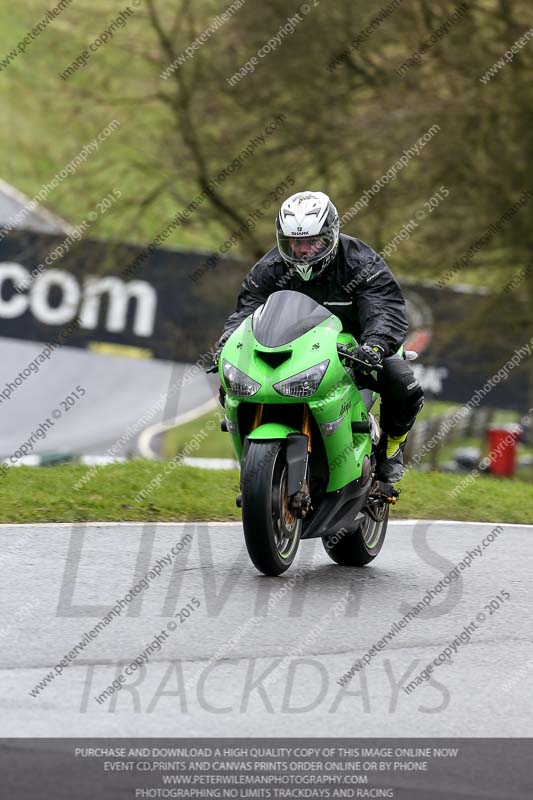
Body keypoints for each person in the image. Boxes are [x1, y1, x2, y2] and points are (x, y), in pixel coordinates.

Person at [212, 190, 424, 482]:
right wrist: (227, 342)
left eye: (313, 242)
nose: (303, 251)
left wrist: (375, 345)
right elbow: (246, 311)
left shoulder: (361, 263)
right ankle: (260, 467)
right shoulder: (271, 268)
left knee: (402, 382)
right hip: (298, 350)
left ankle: (391, 447)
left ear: (331, 235)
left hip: (357, 348)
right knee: (232, 384)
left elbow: (383, 308)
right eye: (294, 243)